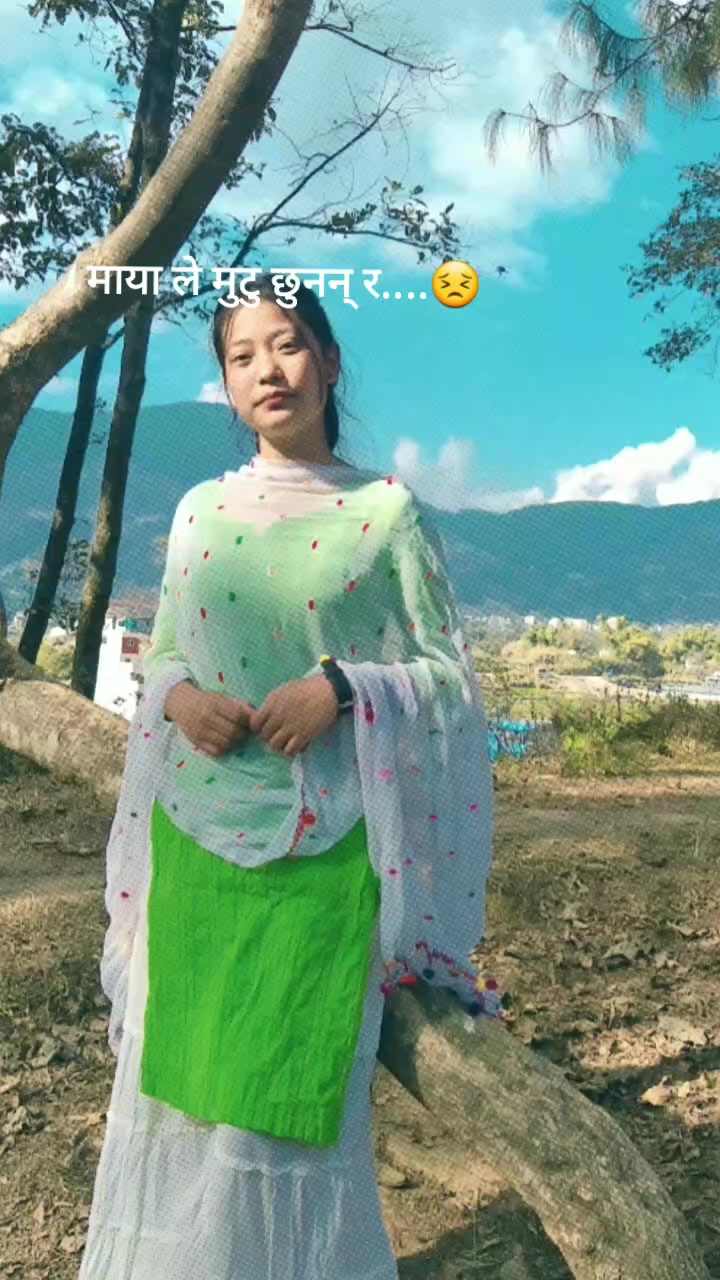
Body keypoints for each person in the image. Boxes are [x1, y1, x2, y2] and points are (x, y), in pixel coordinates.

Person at [78, 273, 498, 1280]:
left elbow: (448, 677)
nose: (268, 369)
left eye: (289, 343)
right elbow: (166, 649)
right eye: (243, 355)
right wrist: (181, 698)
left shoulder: (385, 513)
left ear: (329, 360)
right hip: (195, 841)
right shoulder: (201, 512)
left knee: (284, 1113)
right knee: (178, 1096)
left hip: (325, 848)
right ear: (226, 385)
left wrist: (343, 687)